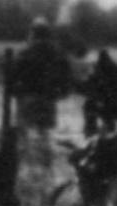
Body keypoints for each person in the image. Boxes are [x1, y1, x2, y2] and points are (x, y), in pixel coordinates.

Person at [12, 18, 72, 170]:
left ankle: (25, 168)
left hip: (27, 99)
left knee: (23, 135)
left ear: (32, 33)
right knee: (44, 135)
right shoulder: (57, 53)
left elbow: (13, 76)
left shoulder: (25, 52)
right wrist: (59, 94)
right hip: (48, 100)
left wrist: (16, 93)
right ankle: (45, 168)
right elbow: (66, 78)